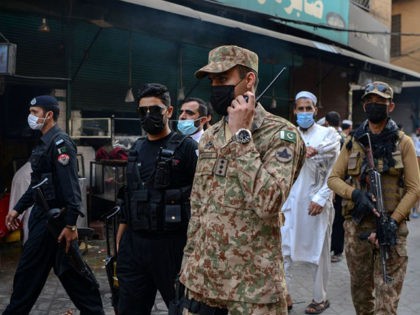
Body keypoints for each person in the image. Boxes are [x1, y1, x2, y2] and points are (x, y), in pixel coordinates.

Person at [179, 45, 305, 315]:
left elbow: (269, 202)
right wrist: (187, 268)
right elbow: (199, 206)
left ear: (249, 80)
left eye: (223, 79)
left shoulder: (281, 135)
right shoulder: (210, 136)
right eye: (213, 81)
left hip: (252, 291)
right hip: (202, 283)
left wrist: (242, 136)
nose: (216, 87)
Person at [3, 95, 104, 315]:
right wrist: (17, 208)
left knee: (36, 275)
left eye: (35, 112)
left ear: (49, 115)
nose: (31, 117)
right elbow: (37, 184)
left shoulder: (60, 143)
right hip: (45, 217)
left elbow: (72, 190)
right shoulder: (43, 144)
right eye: (30, 112)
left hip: (55, 223)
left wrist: (70, 226)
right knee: (69, 276)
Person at [328, 81, 420, 315]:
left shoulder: (403, 142)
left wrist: (394, 219)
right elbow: (334, 179)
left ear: (391, 107)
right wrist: (355, 193)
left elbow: (414, 188)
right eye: (370, 101)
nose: (375, 105)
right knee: (361, 299)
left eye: (381, 102)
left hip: (392, 231)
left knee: (386, 304)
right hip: (357, 230)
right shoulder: (352, 142)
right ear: (364, 104)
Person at [115, 83, 198, 315]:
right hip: (135, 243)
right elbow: (129, 194)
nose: (148, 115)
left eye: (155, 110)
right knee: (128, 308)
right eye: (143, 111)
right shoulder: (137, 148)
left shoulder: (187, 148)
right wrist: (122, 236)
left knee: (181, 308)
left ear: (169, 111)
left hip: (171, 245)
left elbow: (203, 197)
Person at [281, 91, 341, 314]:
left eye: (309, 108)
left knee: (320, 251)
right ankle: (284, 294)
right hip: (289, 203)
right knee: (284, 249)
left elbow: (335, 171)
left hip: (316, 202)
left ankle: (319, 298)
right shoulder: (288, 133)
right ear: (294, 111)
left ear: (316, 110)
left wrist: (322, 198)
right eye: (300, 108)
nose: (304, 112)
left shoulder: (329, 134)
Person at [324, 111, 346, 262]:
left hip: (335, 184)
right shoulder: (345, 138)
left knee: (337, 218)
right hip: (339, 183)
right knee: (336, 218)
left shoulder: (333, 138)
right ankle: (332, 249)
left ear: (326, 122)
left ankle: (336, 250)